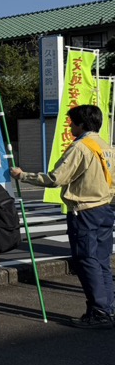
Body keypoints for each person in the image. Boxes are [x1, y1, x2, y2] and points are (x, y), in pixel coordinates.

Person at [12, 104, 115, 329]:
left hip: (84, 210)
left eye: (71, 122)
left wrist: (22, 175)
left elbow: (56, 178)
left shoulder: (80, 147)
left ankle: (99, 312)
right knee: (101, 261)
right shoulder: (105, 146)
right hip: (105, 208)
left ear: (81, 124)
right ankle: (107, 308)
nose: (69, 127)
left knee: (87, 261)